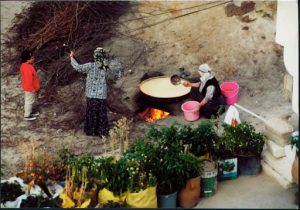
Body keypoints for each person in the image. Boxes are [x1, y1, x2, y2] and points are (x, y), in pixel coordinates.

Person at [69, 47, 111, 137]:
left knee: (92, 113)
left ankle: (91, 131)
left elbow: (78, 67)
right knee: (101, 114)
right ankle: (102, 132)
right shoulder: (106, 67)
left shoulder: (90, 66)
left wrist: (72, 57)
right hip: (102, 95)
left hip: (91, 94)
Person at [20, 50, 41, 121]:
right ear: (27, 59)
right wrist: (32, 89)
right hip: (30, 88)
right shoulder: (27, 68)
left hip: (31, 87)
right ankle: (27, 115)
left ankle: (30, 112)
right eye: (32, 58)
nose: (34, 59)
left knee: (30, 101)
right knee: (29, 101)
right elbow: (28, 80)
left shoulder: (26, 65)